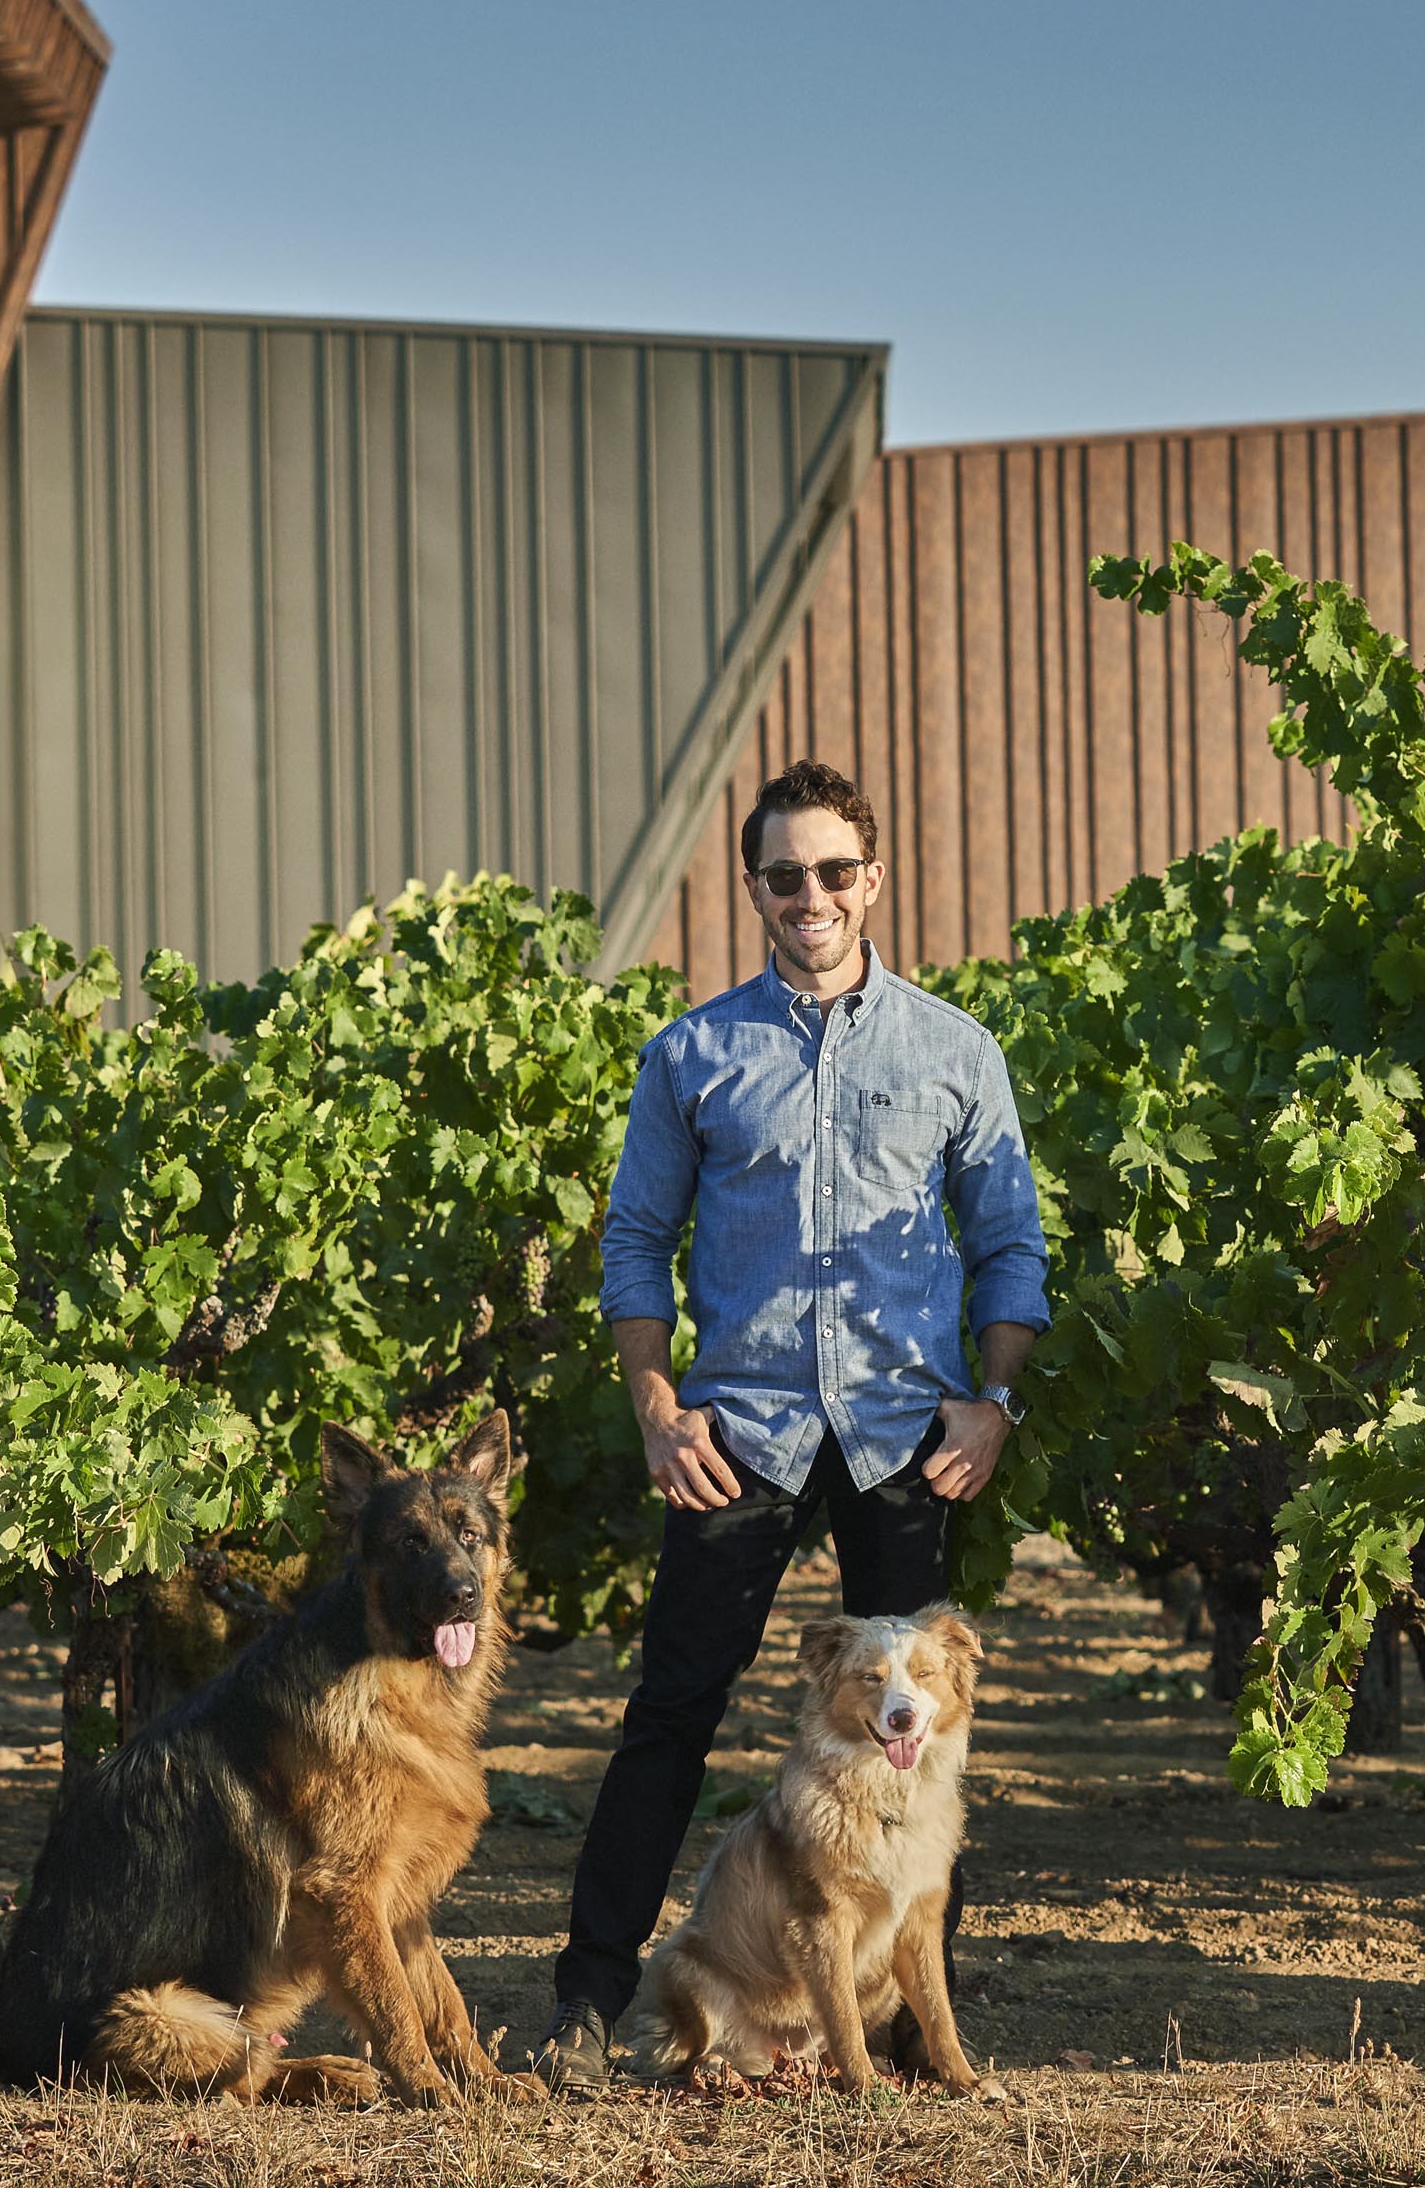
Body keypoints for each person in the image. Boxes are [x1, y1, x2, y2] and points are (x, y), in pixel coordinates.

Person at [533, 758, 1049, 2090]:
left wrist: (992, 1404)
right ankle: (587, 1997)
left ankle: (915, 2023)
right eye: (783, 875)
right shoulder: (692, 1054)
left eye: (833, 870)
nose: (809, 894)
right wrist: (654, 1402)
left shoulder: (955, 1051)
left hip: (903, 1436)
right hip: (738, 1433)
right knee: (672, 1713)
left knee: (920, 1729)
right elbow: (637, 1244)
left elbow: (1009, 1248)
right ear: (755, 887)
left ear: (871, 878)